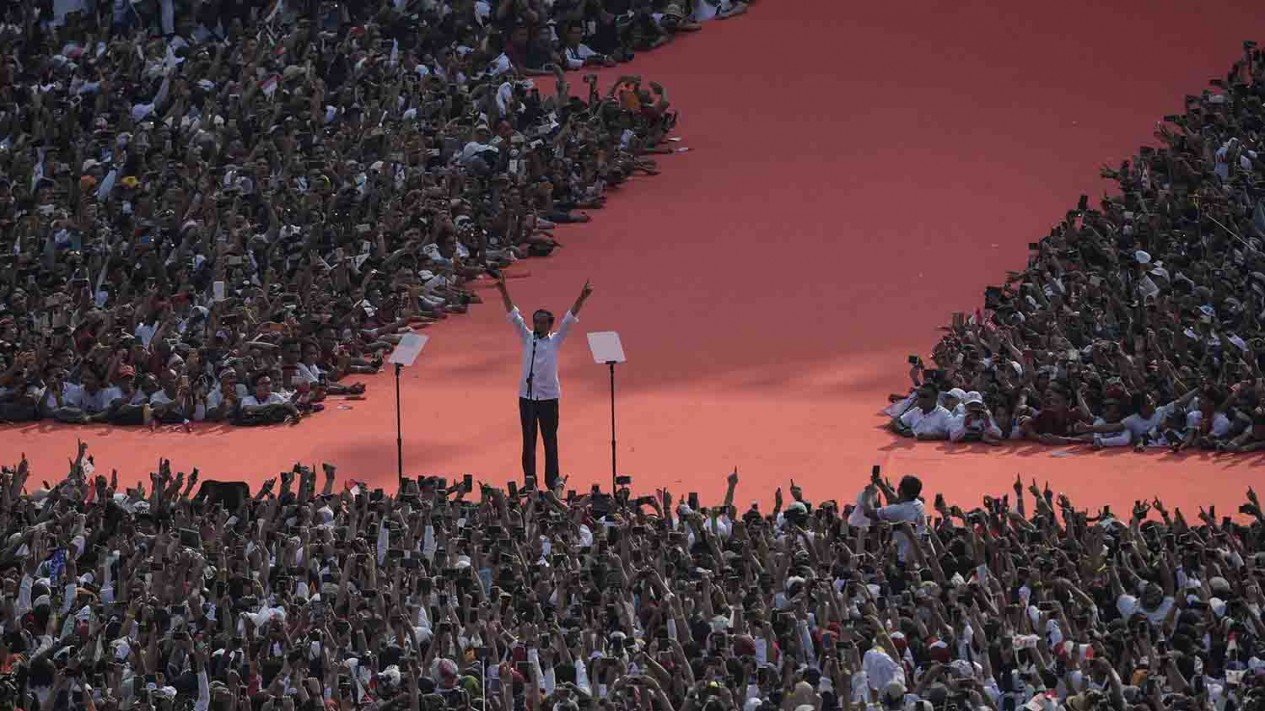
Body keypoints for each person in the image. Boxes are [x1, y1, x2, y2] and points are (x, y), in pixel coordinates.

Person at [494, 272, 594, 489]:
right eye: (535, 321)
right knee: (528, 442)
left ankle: (552, 480)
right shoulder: (527, 337)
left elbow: (569, 318)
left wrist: (582, 297)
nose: (537, 325)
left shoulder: (556, 341)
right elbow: (513, 314)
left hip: (549, 397)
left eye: (541, 322)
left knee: (550, 440)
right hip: (527, 397)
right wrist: (503, 290)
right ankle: (530, 481)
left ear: (549, 324)